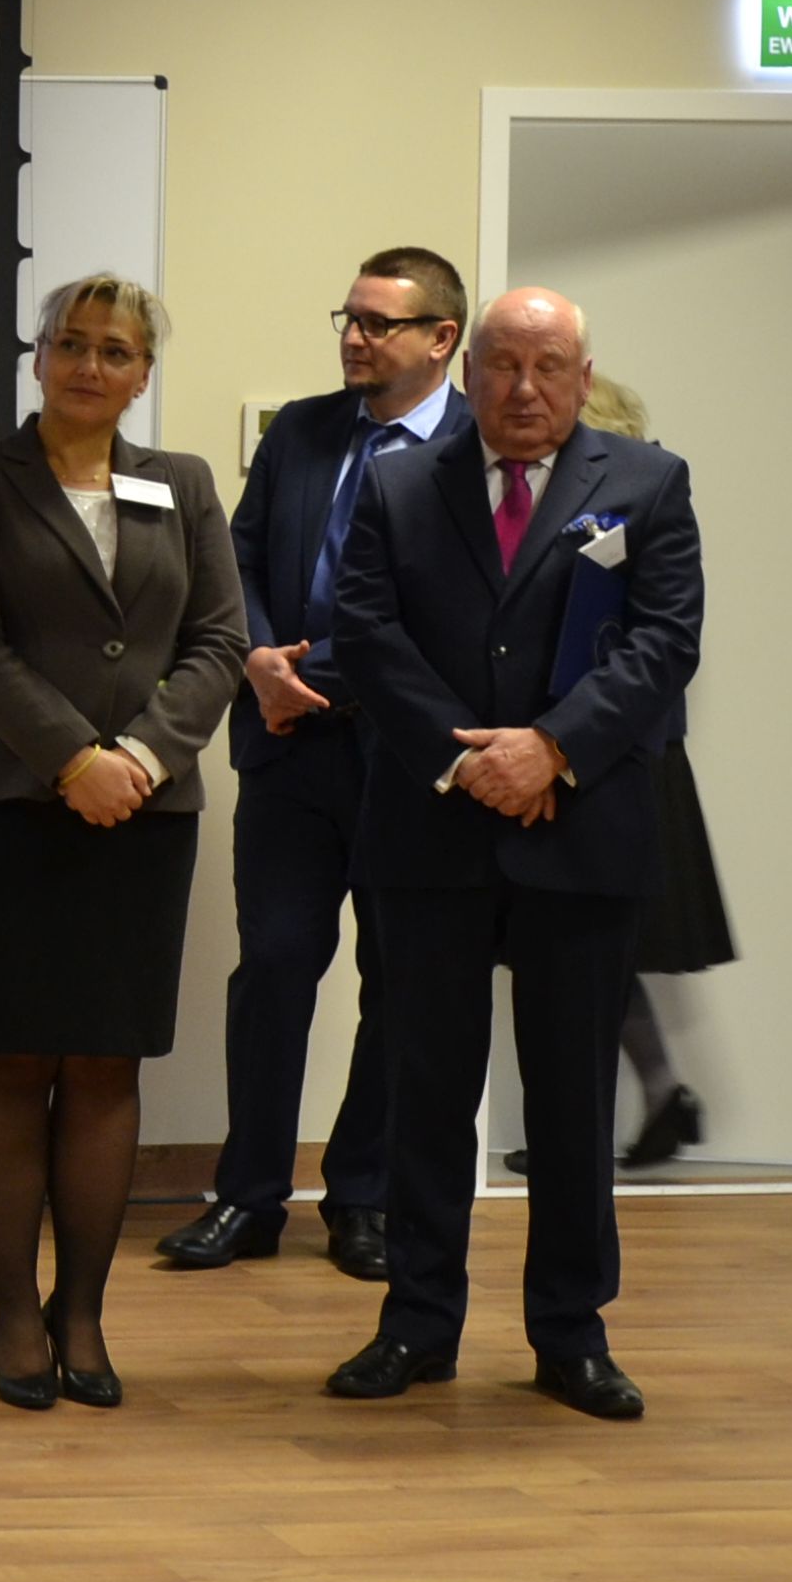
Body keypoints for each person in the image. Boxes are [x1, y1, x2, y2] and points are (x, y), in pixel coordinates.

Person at [322, 287, 702, 1423]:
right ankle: (417, 1323)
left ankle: (572, 1335)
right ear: (468, 371)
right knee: (426, 1095)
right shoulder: (396, 483)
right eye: (502, 364)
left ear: (583, 378)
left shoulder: (648, 484)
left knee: (575, 1101)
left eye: (548, 366)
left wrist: (551, 750)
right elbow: (367, 636)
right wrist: (472, 760)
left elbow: (663, 642)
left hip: (580, 835)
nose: (523, 388)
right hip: (430, 833)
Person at [0, 276, 243, 1411]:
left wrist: (141, 759)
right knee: (13, 1056)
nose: (88, 365)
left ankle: (85, 1313)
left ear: (143, 373)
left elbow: (220, 641)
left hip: (145, 815)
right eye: (70, 344)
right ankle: (15, 1311)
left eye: (114, 350)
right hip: (5, 804)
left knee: (107, 1061)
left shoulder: (182, 483)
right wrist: (73, 759)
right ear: (39, 356)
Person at [158, 246, 473, 1280]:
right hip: (289, 746)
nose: (355, 338)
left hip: (409, 760)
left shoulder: (479, 450)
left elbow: (462, 612)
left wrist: (338, 681)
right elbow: (239, 557)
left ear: (442, 338)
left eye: (380, 323)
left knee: (399, 981)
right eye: (349, 318)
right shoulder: (301, 430)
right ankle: (248, 1196)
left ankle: (364, 1198)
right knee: (277, 966)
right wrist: (255, 657)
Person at [573, 374, 733, 1170]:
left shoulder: (629, 508)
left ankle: (609, 1118)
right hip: (623, 747)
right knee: (592, 951)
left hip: (621, 751)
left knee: (592, 948)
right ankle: (653, 1097)